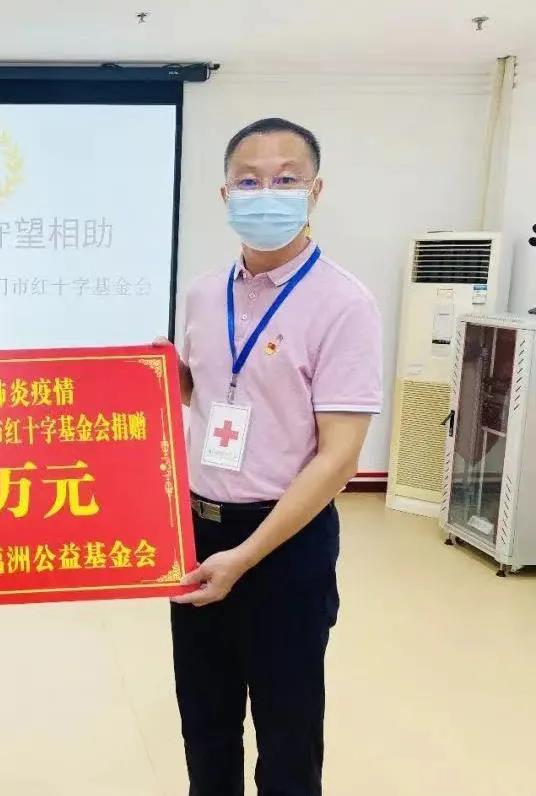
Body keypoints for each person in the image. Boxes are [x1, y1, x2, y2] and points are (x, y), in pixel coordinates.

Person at [162, 118, 382, 795]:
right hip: (198, 532)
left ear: (315, 191)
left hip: (285, 544)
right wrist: (147, 375)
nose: (267, 193)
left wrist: (246, 557)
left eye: (286, 179)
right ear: (224, 194)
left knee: (287, 735)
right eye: (249, 181)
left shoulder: (344, 303)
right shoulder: (204, 293)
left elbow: (338, 459)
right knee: (205, 723)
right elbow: (202, 388)